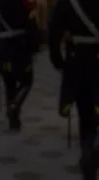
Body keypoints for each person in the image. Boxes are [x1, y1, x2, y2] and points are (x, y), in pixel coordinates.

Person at [48, 0, 99, 179]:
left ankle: (88, 149)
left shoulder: (67, 3)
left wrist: (58, 61)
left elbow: (53, 32)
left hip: (78, 63)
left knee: (86, 113)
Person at [0, 0, 40, 131]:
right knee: (27, 81)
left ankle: (14, 121)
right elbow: (31, 25)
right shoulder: (22, 3)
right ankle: (14, 106)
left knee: (9, 85)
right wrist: (34, 48)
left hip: (2, 52)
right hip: (20, 50)